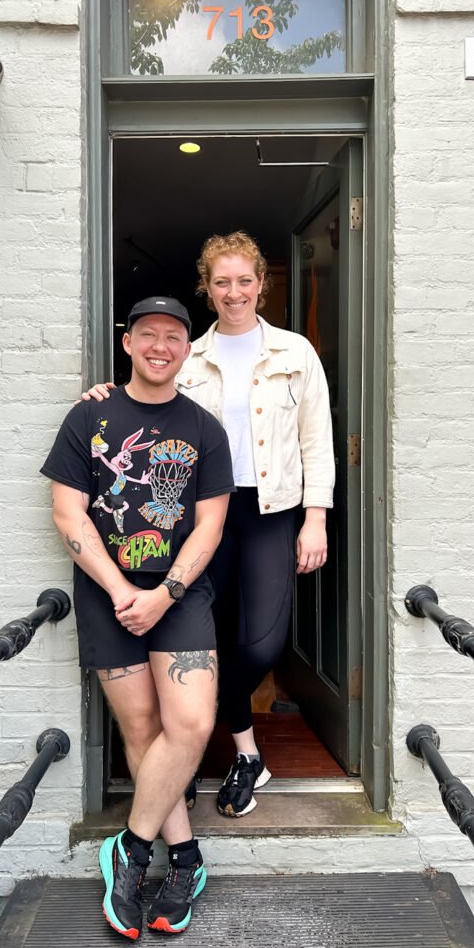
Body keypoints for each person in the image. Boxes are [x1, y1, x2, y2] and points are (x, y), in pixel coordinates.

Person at [83, 231, 334, 819]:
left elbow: (316, 441)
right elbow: (143, 397)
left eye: (244, 280)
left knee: (263, 641)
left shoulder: (295, 353)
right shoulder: (188, 354)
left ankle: (186, 740)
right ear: (208, 287)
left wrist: (315, 517)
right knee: (208, 637)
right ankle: (242, 754)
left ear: (260, 285)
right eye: (221, 281)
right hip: (199, 516)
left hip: (272, 509)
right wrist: (102, 396)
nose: (234, 291)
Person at [42, 296, 234, 939]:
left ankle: (129, 847)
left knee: (193, 723)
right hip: (106, 591)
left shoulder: (205, 428)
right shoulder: (88, 416)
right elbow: (69, 512)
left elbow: (210, 523)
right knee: (144, 725)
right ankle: (184, 862)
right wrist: (123, 588)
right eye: (148, 334)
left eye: (174, 336)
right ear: (128, 342)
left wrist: (165, 593)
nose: (160, 345)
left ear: (187, 348)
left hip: (180, 594)